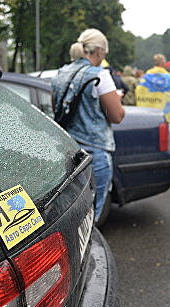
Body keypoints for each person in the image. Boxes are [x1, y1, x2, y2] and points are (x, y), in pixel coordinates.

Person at [51, 28, 125, 224]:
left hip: (66, 151)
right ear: (99, 51)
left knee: (71, 211)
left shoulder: (61, 73)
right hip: (94, 152)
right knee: (92, 214)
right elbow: (117, 116)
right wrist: (116, 99)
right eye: (104, 54)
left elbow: (57, 110)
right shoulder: (100, 75)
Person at [135, 54, 170, 120]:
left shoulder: (147, 76)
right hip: (163, 114)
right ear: (163, 63)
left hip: (148, 113)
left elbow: (139, 91)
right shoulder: (169, 78)